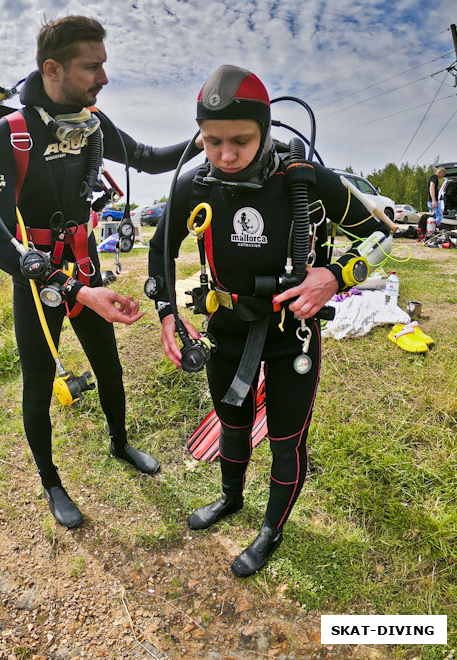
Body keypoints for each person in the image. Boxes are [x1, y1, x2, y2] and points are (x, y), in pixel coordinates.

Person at [148, 64, 389, 576]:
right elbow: (159, 248)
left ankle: (270, 529)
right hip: (227, 327)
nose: (226, 155)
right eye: (212, 142)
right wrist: (167, 312)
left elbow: (382, 236)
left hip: (290, 334)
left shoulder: (304, 179)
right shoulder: (195, 183)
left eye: (240, 140)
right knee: (232, 425)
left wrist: (338, 275)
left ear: (265, 130)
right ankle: (231, 498)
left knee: (285, 438)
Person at [0, 15, 200, 529]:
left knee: (109, 366)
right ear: (52, 69)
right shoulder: (5, 136)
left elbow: (146, 157)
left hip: (83, 261)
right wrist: (75, 290)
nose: (104, 78)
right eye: (92, 67)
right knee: (38, 380)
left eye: (104, 65)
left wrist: (208, 133)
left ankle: (120, 444)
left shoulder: (91, 121)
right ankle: (51, 482)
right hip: (38, 279)